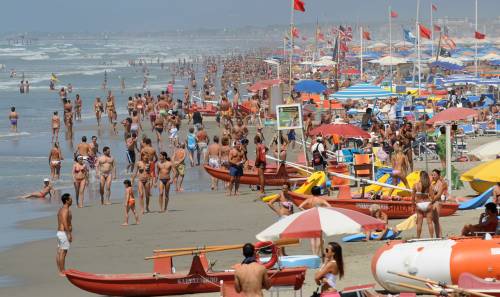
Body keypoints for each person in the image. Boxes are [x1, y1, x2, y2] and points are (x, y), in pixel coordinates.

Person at [299, 186, 330, 256]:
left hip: (310, 218)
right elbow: (329, 206)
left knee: (312, 237)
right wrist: (324, 212)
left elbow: (300, 206)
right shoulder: (321, 200)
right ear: (319, 192)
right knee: (319, 236)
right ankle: (317, 254)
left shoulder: (309, 200)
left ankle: (313, 254)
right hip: (318, 218)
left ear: (312, 192)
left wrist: (306, 212)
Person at [412, 171, 434, 238]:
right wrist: (430, 201)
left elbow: (412, 198)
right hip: (427, 204)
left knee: (419, 223)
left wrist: (413, 206)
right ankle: (431, 237)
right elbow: (432, 197)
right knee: (429, 222)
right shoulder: (429, 185)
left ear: (420, 177)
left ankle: (418, 238)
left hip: (419, 204)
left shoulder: (415, 185)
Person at [56, 193, 73, 276]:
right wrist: (69, 234)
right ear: (66, 201)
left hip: (60, 233)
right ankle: (62, 271)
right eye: (70, 199)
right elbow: (64, 222)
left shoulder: (61, 209)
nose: (71, 200)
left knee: (59, 252)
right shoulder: (65, 210)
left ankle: (60, 270)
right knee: (63, 252)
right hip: (63, 233)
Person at [431, 169, 448, 238]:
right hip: (435, 201)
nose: (433, 176)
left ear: (438, 175)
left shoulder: (441, 183)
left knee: (436, 220)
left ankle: (439, 236)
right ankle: (438, 236)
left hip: (438, 202)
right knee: (435, 220)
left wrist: (431, 201)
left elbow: (438, 195)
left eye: (434, 175)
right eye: (432, 175)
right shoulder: (435, 183)